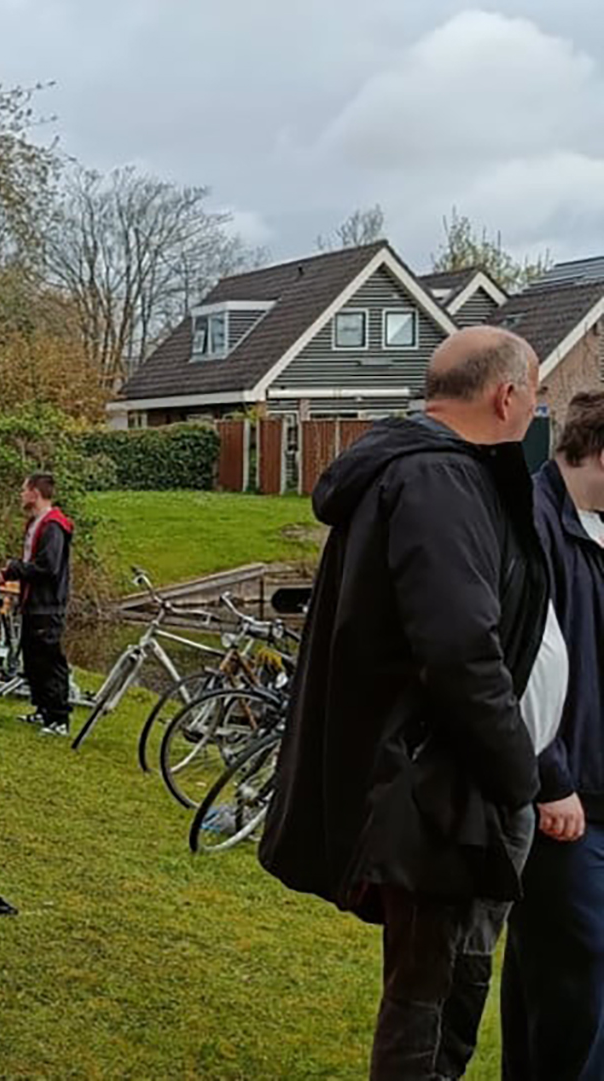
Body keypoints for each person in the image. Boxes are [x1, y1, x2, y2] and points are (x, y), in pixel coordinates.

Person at [259, 326, 562, 1080]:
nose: (537, 408)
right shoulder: (440, 482)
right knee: (430, 1002)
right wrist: (517, 775)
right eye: (536, 392)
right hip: (439, 788)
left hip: (439, 779)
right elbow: (458, 647)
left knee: (443, 985)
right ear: (507, 395)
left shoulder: (423, 471)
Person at [504, 389, 604, 1079]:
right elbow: (506, 665)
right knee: (579, 978)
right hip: (564, 805)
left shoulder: (594, 526)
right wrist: (550, 775)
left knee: (551, 969)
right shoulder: (531, 527)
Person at [3, 473, 75, 736]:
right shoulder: (35, 523)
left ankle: (59, 717)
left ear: (35, 493)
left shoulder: (53, 526)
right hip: (32, 601)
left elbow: (49, 567)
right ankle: (42, 709)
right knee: (32, 659)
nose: (21, 495)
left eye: (24, 490)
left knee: (50, 660)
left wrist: (17, 569)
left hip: (48, 604)